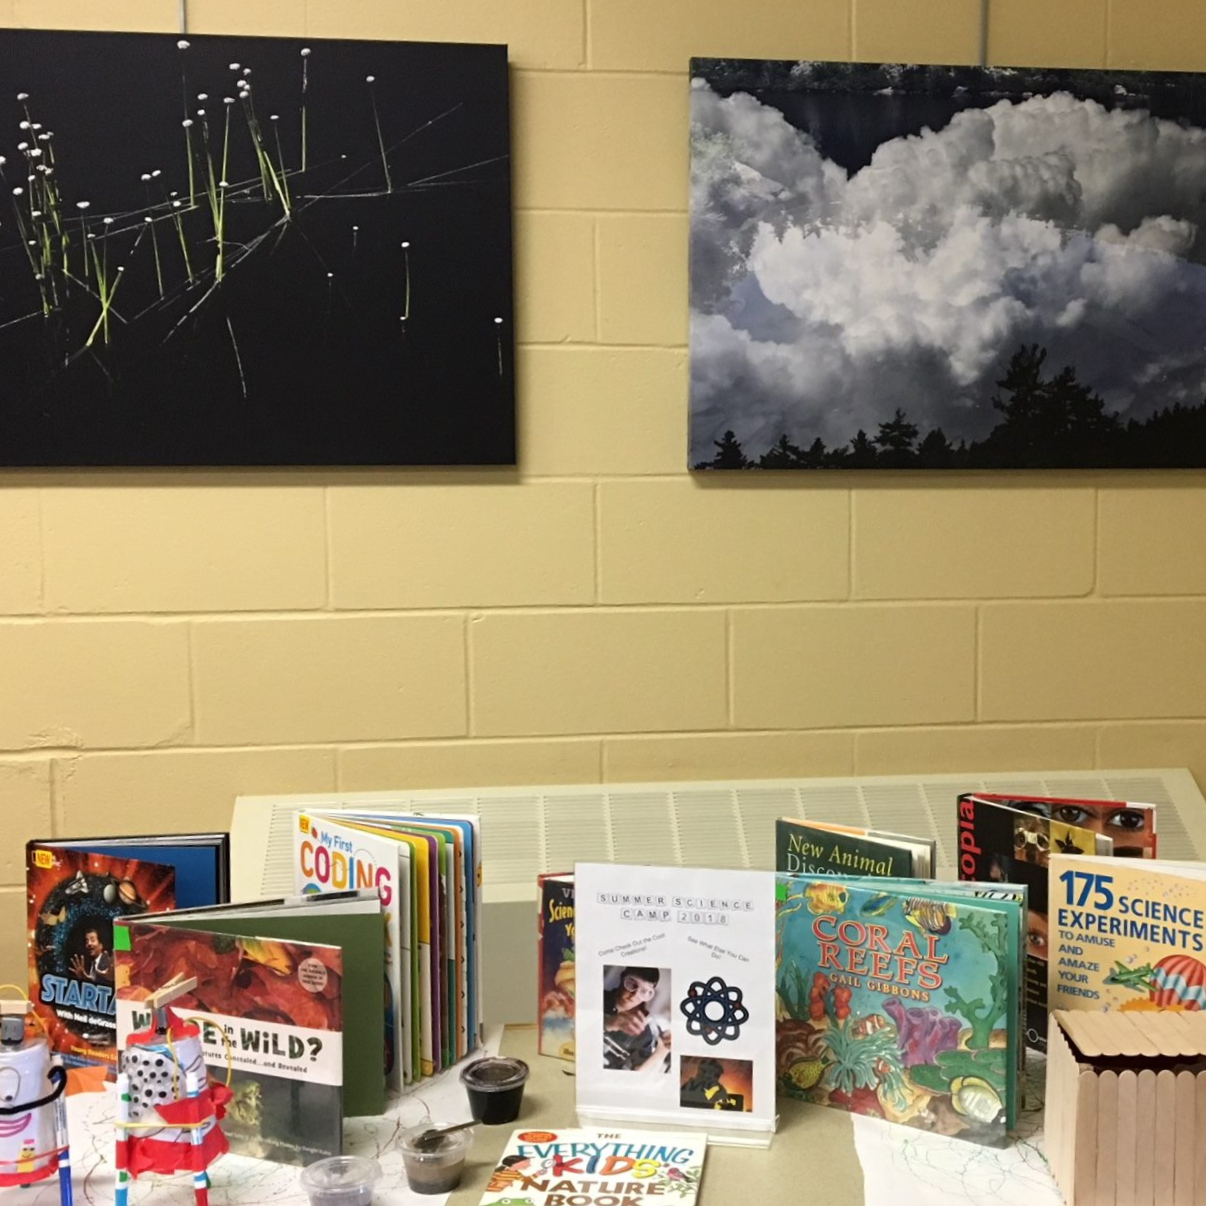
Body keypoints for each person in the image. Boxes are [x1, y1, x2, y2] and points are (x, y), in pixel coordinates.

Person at [603, 967, 670, 1072]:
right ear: (622, 978)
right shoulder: (595, 998)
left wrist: (661, 1053)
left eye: (644, 991)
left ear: (649, 995)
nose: (634, 995)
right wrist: (607, 1023)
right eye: (631, 984)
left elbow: (638, 1073)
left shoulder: (642, 1029)